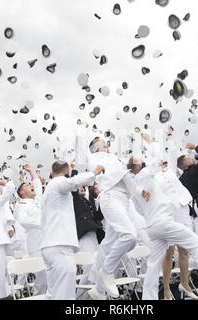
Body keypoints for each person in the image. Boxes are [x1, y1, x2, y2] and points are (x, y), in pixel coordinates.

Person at [127, 135, 198, 300]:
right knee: (196, 242)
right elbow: (154, 156)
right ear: (139, 166)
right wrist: (150, 142)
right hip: (165, 219)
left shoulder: (134, 187)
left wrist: (169, 138)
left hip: (153, 225)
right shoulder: (149, 175)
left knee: (154, 265)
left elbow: (139, 208)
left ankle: (150, 299)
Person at [75, 122, 138, 299]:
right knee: (129, 236)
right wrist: (81, 130)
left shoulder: (115, 159)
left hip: (124, 199)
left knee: (110, 245)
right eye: (100, 142)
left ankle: (98, 289)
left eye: (105, 142)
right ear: (93, 148)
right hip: (109, 196)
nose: (105, 143)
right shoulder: (92, 158)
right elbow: (81, 150)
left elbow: (128, 179)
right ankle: (107, 271)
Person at [40, 160, 104, 300]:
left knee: (54, 292)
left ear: (52, 172)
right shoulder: (58, 183)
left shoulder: (49, 190)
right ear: (67, 172)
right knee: (64, 292)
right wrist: (94, 172)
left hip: (51, 245)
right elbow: (73, 182)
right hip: (59, 245)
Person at [160, 129, 198, 300]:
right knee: (168, 251)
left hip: (182, 209)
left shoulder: (171, 171)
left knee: (184, 249)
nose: (161, 163)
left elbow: (173, 151)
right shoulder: (150, 176)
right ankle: (167, 289)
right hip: (166, 213)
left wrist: (169, 137)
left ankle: (185, 283)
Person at [13, 163, 47, 295]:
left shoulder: (36, 200)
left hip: (47, 243)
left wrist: (31, 171)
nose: (31, 186)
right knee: (42, 281)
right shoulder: (22, 205)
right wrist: (43, 223)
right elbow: (23, 220)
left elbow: (37, 185)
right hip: (36, 247)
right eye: (27, 185)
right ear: (22, 192)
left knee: (51, 279)